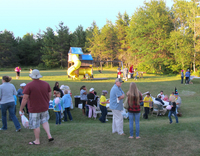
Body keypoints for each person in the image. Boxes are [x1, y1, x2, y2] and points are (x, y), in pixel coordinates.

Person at [19, 69, 54, 145]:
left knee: (35, 124)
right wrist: (47, 101)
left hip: (34, 108)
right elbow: (49, 94)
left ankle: (37, 140)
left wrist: (21, 108)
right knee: (44, 121)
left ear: (32, 77)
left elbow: (25, 98)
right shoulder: (46, 84)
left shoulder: (29, 85)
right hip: (44, 106)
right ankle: (49, 135)